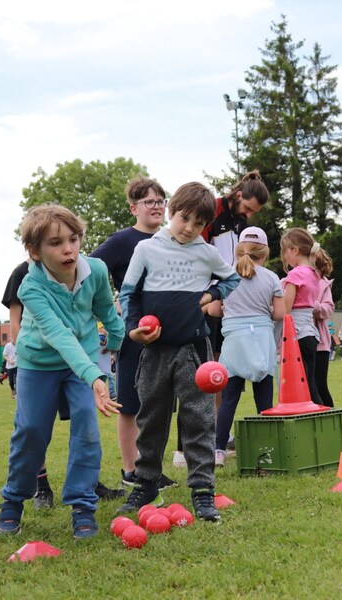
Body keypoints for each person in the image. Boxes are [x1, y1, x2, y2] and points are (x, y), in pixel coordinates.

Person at [0, 205, 125, 539]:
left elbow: (106, 311)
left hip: (81, 362)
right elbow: (59, 336)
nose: (68, 249)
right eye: (55, 243)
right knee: (31, 432)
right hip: (38, 364)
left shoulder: (95, 270)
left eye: (73, 239)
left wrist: (117, 341)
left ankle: (83, 504)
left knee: (87, 427)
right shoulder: (30, 288)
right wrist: (94, 375)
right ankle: (13, 500)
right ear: (34, 251)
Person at [116, 182, 239, 521]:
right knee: (151, 417)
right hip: (154, 350)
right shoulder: (146, 249)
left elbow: (231, 280)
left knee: (198, 418)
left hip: (194, 348)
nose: (189, 229)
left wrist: (209, 296)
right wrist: (134, 329)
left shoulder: (206, 252)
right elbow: (129, 293)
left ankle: (202, 490)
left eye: (198, 224)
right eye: (184, 219)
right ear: (172, 210)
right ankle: (146, 483)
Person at [89, 177, 176, 491]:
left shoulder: (171, 238)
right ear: (133, 208)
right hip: (133, 334)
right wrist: (110, 311)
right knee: (130, 403)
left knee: (161, 404)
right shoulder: (121, 241)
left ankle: (151, 467)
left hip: (168, 336)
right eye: (149, 201)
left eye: (161, 200)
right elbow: (87, 271)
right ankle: (130, 470)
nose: (157, 206)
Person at [198, 171, 269, 464]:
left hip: (230, 295)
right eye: (248, 208)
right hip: (207, 291)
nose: (249, 214)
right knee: (210, 367)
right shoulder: (213, 208)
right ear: (239, 195)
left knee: (221, 368)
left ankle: (219, 433)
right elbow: (199, 243)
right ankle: (200, 438)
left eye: (254, 212)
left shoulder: (241, 222)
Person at [207, 227, 284, 467]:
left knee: (228, 399)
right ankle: (266, 450)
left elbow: (212, 310)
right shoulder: (271, 277)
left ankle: (218, 450)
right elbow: (280, 313)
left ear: (238, 249)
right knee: (264, 400)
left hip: (234, 341)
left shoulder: (225, 275)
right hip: (261, 338)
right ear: (265, 252)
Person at [280, 228, 332, 401]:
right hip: (310, 333)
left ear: (294, 249)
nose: (285, 257)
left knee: (306, 386)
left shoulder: (295, 274)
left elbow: (285, 310)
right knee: (312, 383)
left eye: (285, 251)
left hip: (297, 333)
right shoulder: (314, 274)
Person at [313, 273, 336, 405]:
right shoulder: (289, 281)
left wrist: (310, 303)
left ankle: (330, 421)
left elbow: (328, 309)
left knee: (319, 386)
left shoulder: (323, 284)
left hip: (320, 344)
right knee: (306, 388)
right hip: (297, 341)